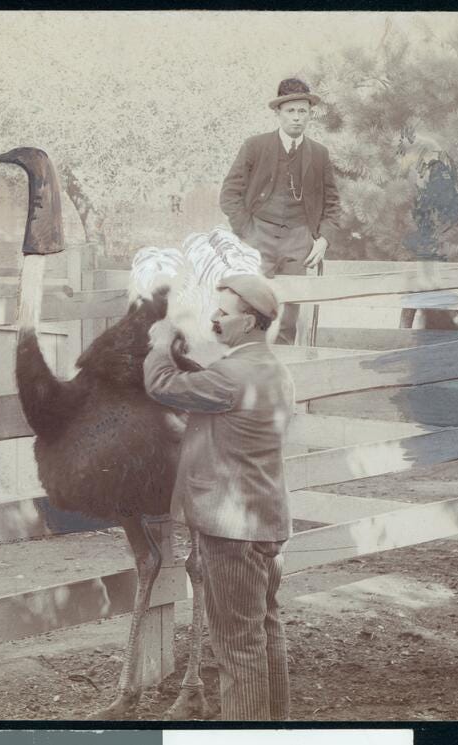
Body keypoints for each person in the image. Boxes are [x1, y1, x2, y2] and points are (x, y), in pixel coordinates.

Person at [143, 274, 295, 720]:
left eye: (223, 314)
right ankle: (275, 725)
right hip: (266, 521)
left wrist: (161, 340)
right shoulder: (273, 370)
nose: (214, 317)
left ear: (248, 323)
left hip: (230, 529)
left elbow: (162, 386)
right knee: (265, 629)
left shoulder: (231, 375)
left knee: (236, 646)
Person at [220, 78, 342, 344]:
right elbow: (229, 194)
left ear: (310, 114)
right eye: (290, 111)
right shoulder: (255, 146)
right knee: (249, 306)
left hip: (299, 239)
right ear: (278, 113)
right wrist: (247, 231)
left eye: (302, 111)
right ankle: (247, 369)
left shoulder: (319, 154)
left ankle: (284, 370)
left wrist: (323, 239)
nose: (297, 118)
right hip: (258, 236)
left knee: (288, 315)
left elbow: (333, 204)